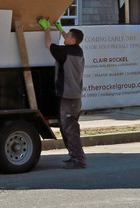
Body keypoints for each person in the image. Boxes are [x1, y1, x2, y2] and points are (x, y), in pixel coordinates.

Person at [40, 18, 86, 169]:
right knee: (68, 129)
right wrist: (60, 30)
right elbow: (69, 40)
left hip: (68, 97)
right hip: (74, 97)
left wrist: (47, 29)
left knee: (70, 130)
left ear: (73, 39)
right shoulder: (78, 51)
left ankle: (78, 160)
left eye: (67, 36)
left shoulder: (64, 52)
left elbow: (48, 45)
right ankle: (75, 158)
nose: (65, 37)